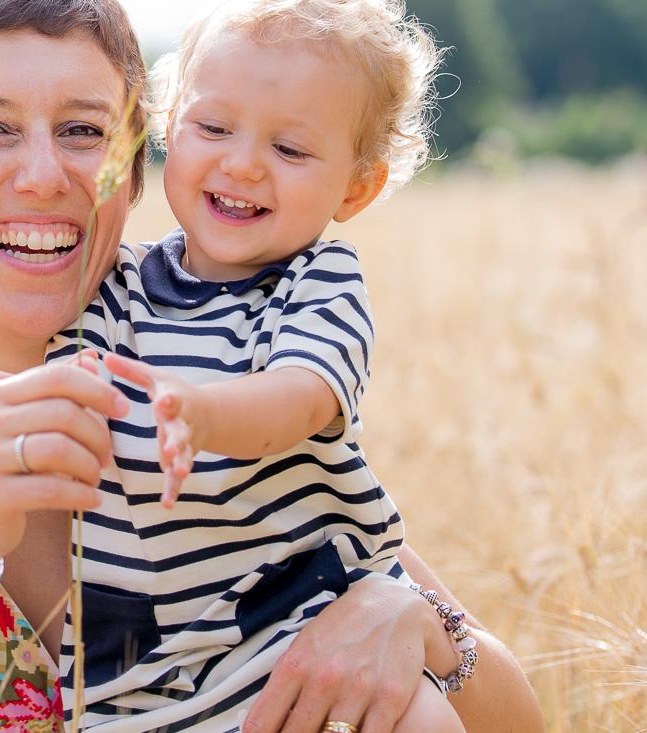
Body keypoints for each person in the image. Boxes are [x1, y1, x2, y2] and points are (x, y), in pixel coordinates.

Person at [0, 0, 544, 731]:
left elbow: (517, 720)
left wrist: (414, 622)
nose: (44, 175)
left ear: (133, 173)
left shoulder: (216, 362)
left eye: (83, 131)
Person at [37, 0, 477, 729]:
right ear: (168, 128)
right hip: (134, 675)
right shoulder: (112, 284)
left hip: (307, 630)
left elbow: (300, 395)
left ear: (356, 187)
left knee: (423, 722)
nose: (241, 163)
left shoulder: (320, 283)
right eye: (213, 128)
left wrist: (203, 413)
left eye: (291, 149)